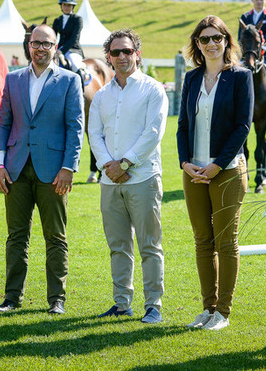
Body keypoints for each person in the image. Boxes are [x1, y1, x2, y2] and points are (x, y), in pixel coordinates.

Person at [0, 24, 84, 316]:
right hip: (16, 169)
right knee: (16, 236)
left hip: (54, 171)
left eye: (47, 43)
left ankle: (57, 298)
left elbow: (75, 127)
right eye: (36, 43)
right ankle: (11, 297)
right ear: (28, 46)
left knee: (55, 236)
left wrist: (69, 167)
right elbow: (3, 123)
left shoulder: (69, 80)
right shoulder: (13, 79)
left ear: (55, 47)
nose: (41, 48)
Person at [177, 15, 253, 331]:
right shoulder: (192, 79)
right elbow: (182, 125)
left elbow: (242, 127)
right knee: (202, 240)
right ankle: (208, 309)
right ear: (197, 44)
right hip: (194, 170)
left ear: (226, 41)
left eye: (217, 38)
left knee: (225, 241)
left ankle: (223, 312)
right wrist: (185, 163)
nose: (211, 44)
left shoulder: (240, 77)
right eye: (204, 39)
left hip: (227, 170)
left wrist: (217, 165)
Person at [88, 29, 168, 324]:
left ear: (138, 53)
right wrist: (108, 165)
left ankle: (153, 305)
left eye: (127, 51)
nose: (121, 56)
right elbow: (94, 133)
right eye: (115, 52)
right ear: (108, 57)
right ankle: (122, 304)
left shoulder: (152, 89)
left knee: (149, 246)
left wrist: (124, 164)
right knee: (118, 246)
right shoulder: (102, 95)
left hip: (142, 179)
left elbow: (153, 133)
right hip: (110, 182)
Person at [52, 0, 86, 83]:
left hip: (73, 49)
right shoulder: (57, 20)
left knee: (75, 65)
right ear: (61, 6)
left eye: (69, 5)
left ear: (73, 6)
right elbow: (52, 37)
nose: (66, 7)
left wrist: (61, 51)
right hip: (59, 50)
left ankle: (80, 93)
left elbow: (74, 38)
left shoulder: (77, 19)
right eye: (64, 5)